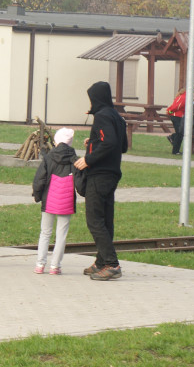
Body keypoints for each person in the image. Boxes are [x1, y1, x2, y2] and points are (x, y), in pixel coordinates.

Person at [74, 81, 126, 281]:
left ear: (96, 98)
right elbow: (122, 146)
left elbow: (110, 142)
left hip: (100, 174)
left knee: (94, 220)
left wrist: (88, 159)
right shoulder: (117, 116)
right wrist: (94, 141)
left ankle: (112, 264)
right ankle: (101, 262)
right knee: (105, 220)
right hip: (112, 174)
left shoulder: (102, 115)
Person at [32, 127, 78, 275]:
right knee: (61, 234)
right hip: (67, 201)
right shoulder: (74, 158)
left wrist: (37, 195)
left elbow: (40, 178)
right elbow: (80, 180)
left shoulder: (49, 157)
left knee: (45, 232)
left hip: (49, 199)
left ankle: (40, 265)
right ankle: (55, 266)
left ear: (56, 141)